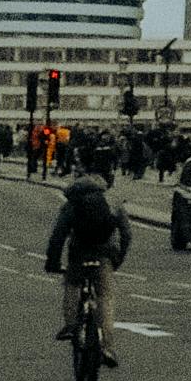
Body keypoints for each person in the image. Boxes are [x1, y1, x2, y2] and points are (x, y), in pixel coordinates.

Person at [45, 154, 127, 366]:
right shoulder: (111, 201)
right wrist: (118, 257)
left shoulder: (72, 203)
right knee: (105, 299)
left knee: (72, 285)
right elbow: (126, 233)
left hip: (79, 254)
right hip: (104, 255)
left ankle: (72, 326)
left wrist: (52, 262)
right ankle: (107, 348)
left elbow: (58, 235)